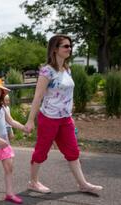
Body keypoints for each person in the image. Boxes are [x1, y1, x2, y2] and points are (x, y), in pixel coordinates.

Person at [24, 34, 103, 195]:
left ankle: (83, 184)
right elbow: (38, 96)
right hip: (49, 118)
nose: (69, 49)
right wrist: (30, 120)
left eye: (70, 46)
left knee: (73, 151)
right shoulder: (47, 71)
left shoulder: (67, 69)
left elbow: (66, 93)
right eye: (65, 46)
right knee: (41, 151)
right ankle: (33, 182)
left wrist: (69, 111)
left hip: (65, 119)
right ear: (55, 49)